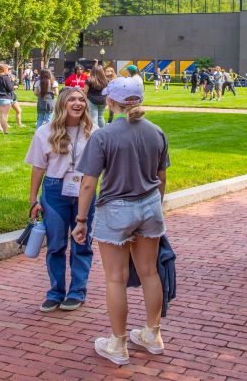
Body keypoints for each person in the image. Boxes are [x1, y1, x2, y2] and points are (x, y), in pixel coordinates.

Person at [72, 76, 170, 366]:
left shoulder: (103, 136)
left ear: (111, 102)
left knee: (116, 278)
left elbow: (89, 183)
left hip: (116, 208)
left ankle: (118, 342)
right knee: (150, 272)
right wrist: (156, 205)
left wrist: (80, 219)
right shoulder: (156, 131)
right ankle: (153, 334)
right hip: (150, 204)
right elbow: (161, 177)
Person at [25, 88, 96, 312]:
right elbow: (38, 167)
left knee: (82, 242)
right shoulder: (44, 132)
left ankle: (77, 291)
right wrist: (33, 199)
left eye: (81, 100)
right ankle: (55, 292)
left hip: (84, 189)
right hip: (54, 190)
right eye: (72, 99)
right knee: (56, 244)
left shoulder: (93, 132)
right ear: (62, 104)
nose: (77, 103)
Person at [84, 60, 110, 128]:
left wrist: (84, 100)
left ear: (92, 72)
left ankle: (94, 132)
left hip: (92, 100)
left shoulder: (89, 80)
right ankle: (102, 131)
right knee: (101, 116)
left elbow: (85, 92)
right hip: (103, 100)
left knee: (93, 117)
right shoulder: (106, 80)